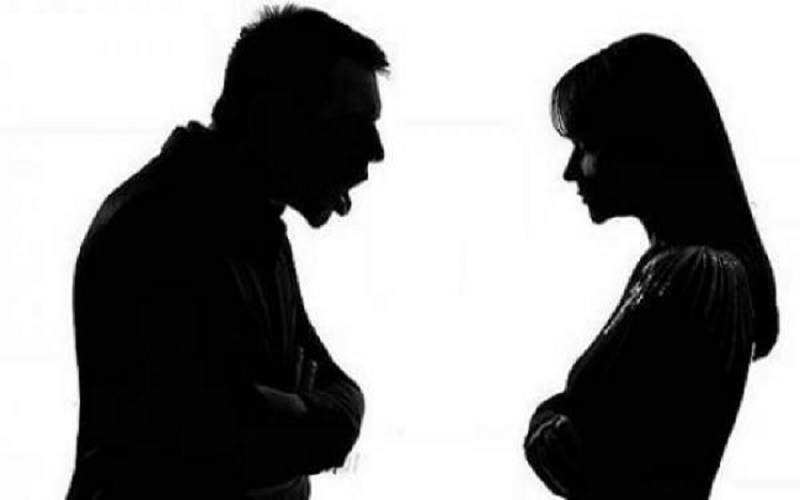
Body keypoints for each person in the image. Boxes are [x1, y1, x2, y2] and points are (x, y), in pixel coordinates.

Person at [66, 5, 387, 499]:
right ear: (277, 117)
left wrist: (291, 411)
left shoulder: (255, 229)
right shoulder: (155, 230)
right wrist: (296, 417)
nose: (375, 151)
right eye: (351, 124)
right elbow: (230, 440)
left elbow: (337, 399)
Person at [523, 34, 778, 499]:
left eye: (585, 145)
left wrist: (550, 423)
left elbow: (598, 434)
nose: (571, 170)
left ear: (640, 143)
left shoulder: (692, 274)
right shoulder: (689, 271)